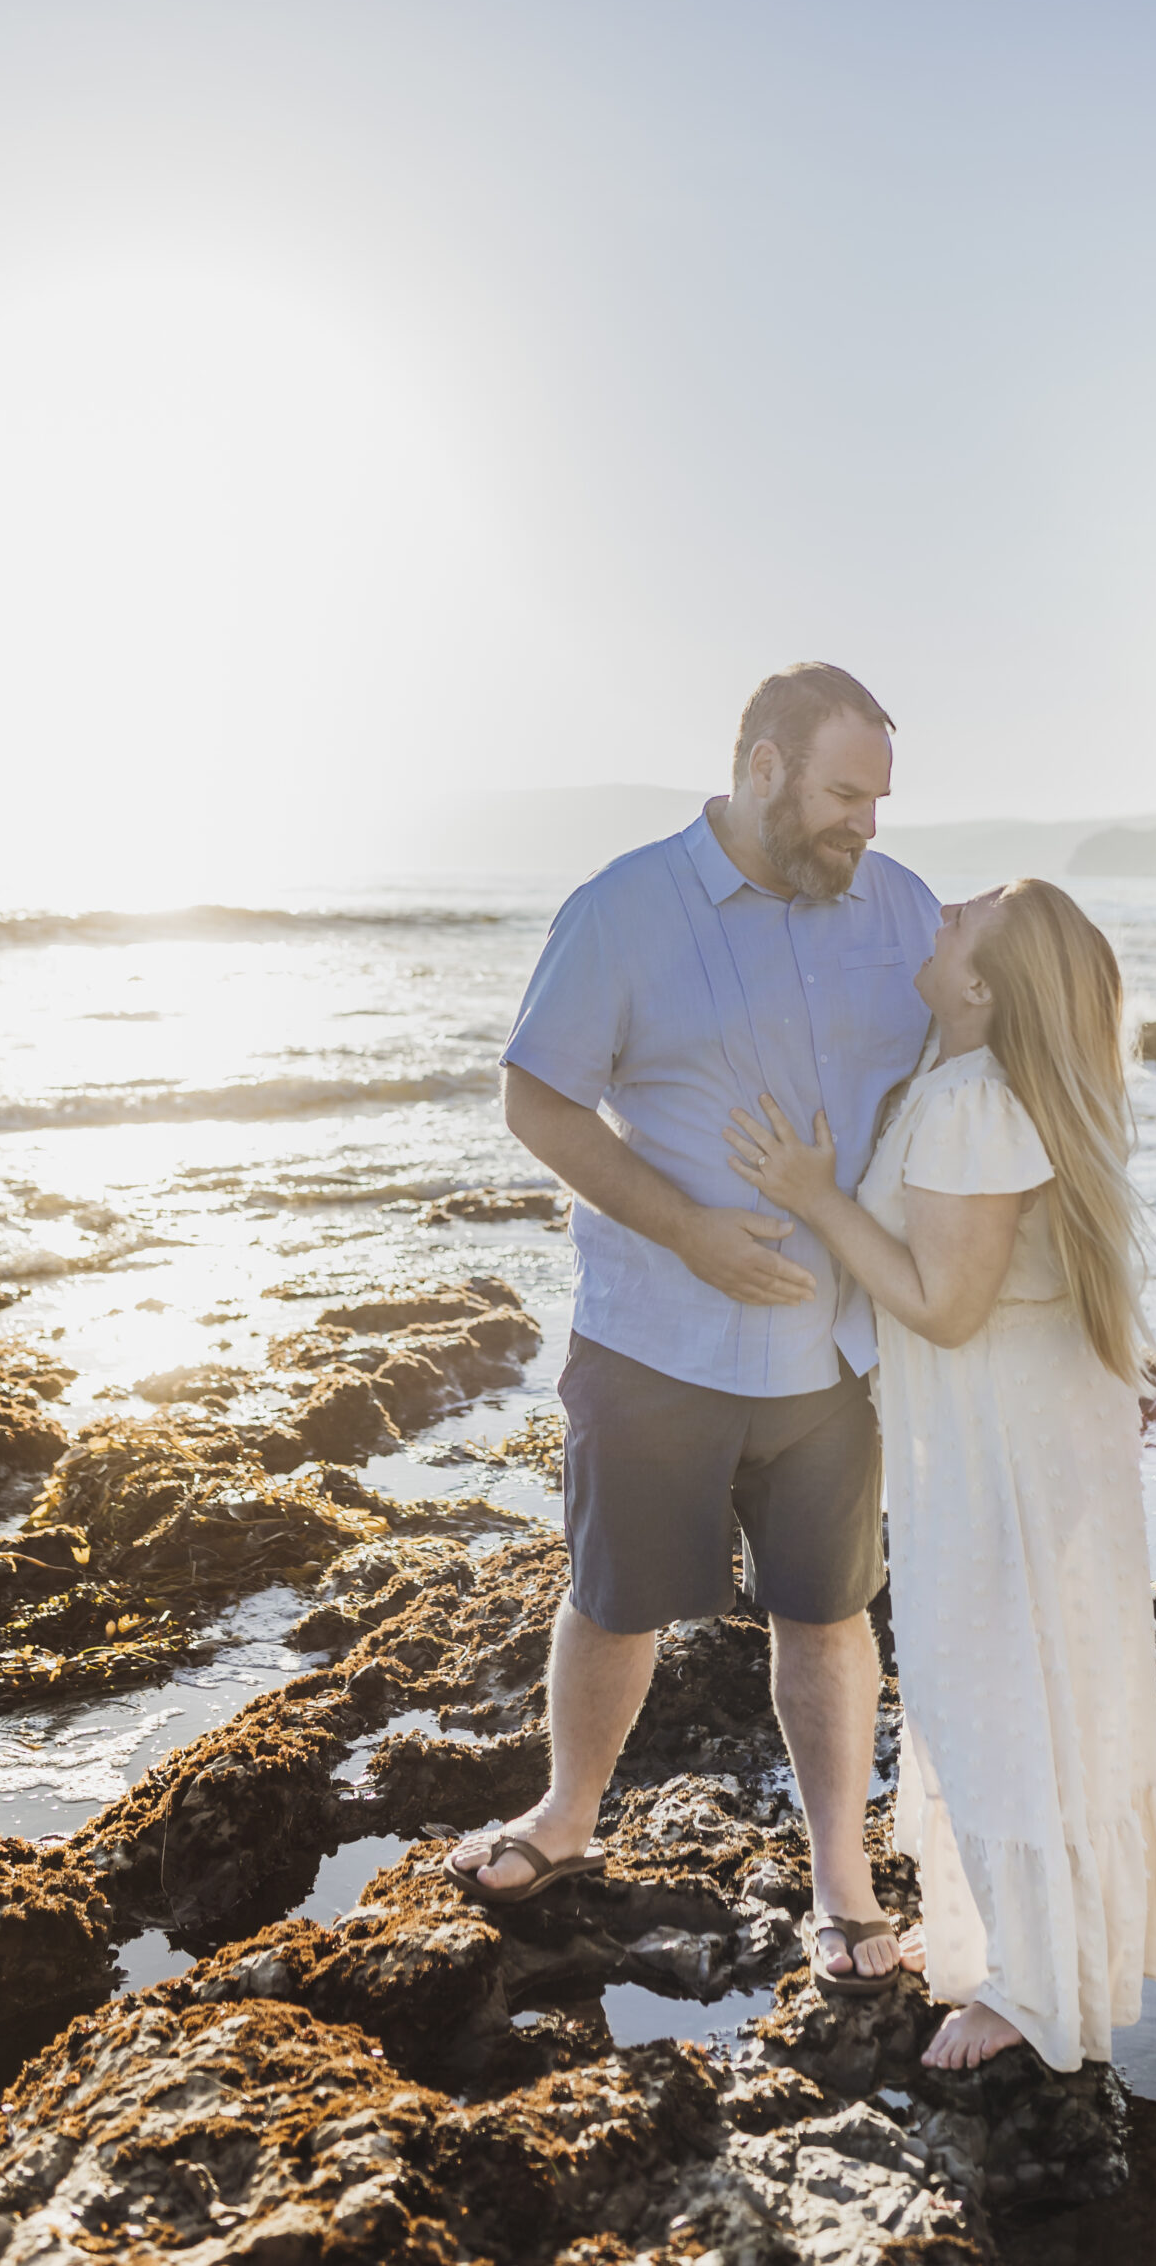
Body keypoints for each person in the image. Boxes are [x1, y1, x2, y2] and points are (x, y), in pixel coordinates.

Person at [442, 662, 940, 1991]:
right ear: (763, 767)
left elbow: (977, 1074)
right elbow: (536, 1105)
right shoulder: (621, 907)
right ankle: (563, 1822)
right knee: (612, 1603)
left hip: (837, 1360)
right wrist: (687, 1229)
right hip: (655, 1340)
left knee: (827, 1615)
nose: (866, 827)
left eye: (878, 800)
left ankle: (841, 1882)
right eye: (844, 794)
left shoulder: (898, 911)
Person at [725, 879, 1156, 2069]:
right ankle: (1012, 1948)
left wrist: (815, 1198)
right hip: (1018, 1429)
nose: (940, 912)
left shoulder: (976, 1100)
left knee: (1001, 1699)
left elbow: (945, 1303)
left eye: (960, 921)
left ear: (980, 986)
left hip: (1002, 1448)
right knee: (1019, 1691)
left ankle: (1030, 1994)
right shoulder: (967, 1079)